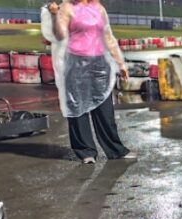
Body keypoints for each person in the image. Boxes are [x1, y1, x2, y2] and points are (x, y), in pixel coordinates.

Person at [51, 0, 133, 164]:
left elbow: (108, 36)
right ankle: (85, 151)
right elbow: (59, 35)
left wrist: (120, 63)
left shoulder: (98, 8)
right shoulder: (67, 7)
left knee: (105, 109)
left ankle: (115, 149)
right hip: (76, 63)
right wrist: (54, 16)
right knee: (78, 107)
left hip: (100, 64)